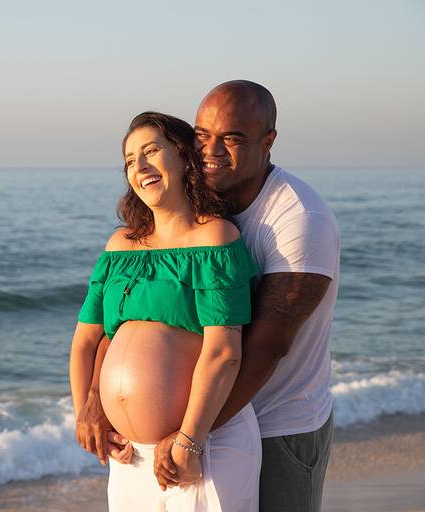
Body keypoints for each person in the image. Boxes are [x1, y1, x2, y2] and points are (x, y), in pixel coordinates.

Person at [70, 111, 262, 511]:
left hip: (202, 446)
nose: (139, 167)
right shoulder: (120, 245)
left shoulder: (214, 237)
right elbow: (88, 340)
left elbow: (224, 352)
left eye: (151, 151)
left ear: (184, 157)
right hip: (128, 454)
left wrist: (190, 441)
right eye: (129, 160)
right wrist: (87, 411)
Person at [193, 80, 340, 512]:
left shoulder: (299, 219)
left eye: (232, 138)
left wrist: (190, 432)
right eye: (202, 135)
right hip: (213, 421)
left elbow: (267, 347)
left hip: (278, 427)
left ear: (268, 141)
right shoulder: (202, 203)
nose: (211, 150)